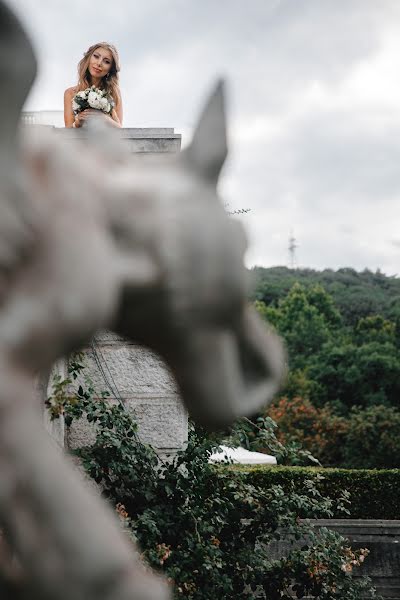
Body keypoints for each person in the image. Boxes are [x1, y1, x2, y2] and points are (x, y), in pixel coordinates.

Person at [64, 42, 123, 128]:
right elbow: (67, 133)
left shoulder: (114, 93)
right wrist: (77, 123)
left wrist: (104, 118)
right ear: (88, 58)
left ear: (111, 69)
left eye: (106, 61)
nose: (99, 63)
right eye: (96, 56)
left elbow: (121, 131)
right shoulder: (70, 93)